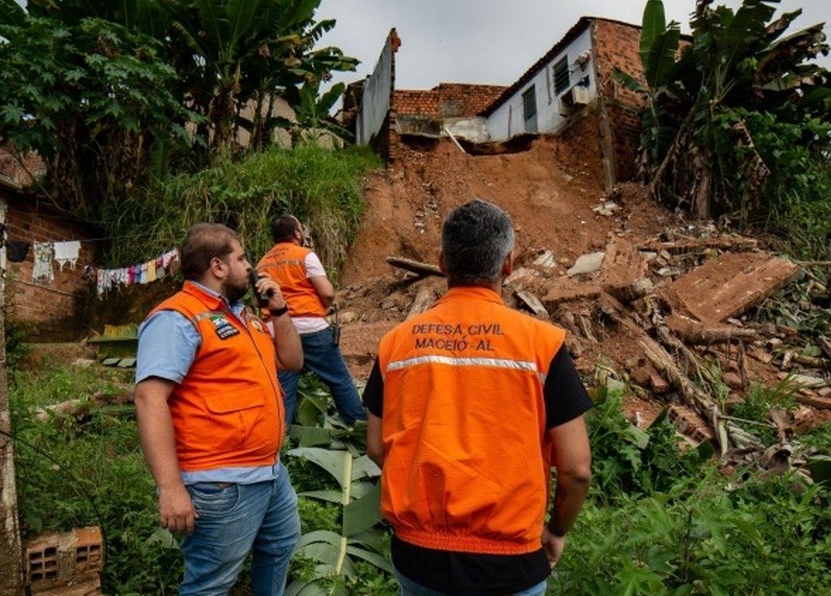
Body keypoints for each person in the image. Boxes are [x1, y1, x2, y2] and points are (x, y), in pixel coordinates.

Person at [364, 200, 593, 596]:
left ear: (441, 262)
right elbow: (576, 470)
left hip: (419, 559)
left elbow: (375, 446)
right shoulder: (541, 345)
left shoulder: (395, 345)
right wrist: (556, 531)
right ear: (508, 264)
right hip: (509, 565)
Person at [134, 223, 303, 596]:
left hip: (269, 472)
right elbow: (149, 398)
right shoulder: (177, 318)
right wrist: (170, 488)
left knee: (280, 546)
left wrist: (279, 310)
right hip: (221, 483)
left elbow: (291, 361)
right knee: (210, 585)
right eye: (241, 258)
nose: (250, 266)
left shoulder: (244, 316)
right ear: (218, 266)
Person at [256, 214, 367, 426]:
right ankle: (358, 425)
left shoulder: (262, 264)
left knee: (284, 390)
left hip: (277, 331)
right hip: (310, 327)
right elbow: (327, 292)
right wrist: (325, 305)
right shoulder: (305, 255)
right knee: (339, 380)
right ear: (297, 233)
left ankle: (281, 436)